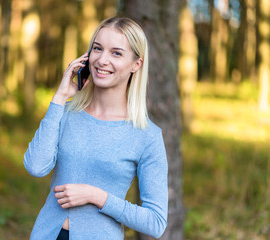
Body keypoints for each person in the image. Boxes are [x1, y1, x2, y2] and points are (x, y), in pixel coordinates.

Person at [24, 16, 168, 240]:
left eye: (116, 53)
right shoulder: (65, 113)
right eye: (97, 49)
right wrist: (60, 97)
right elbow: (36, 166)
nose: (102, 60)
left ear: (136, 64)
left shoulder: (147, 136)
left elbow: (155, 222)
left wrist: (97, 196)